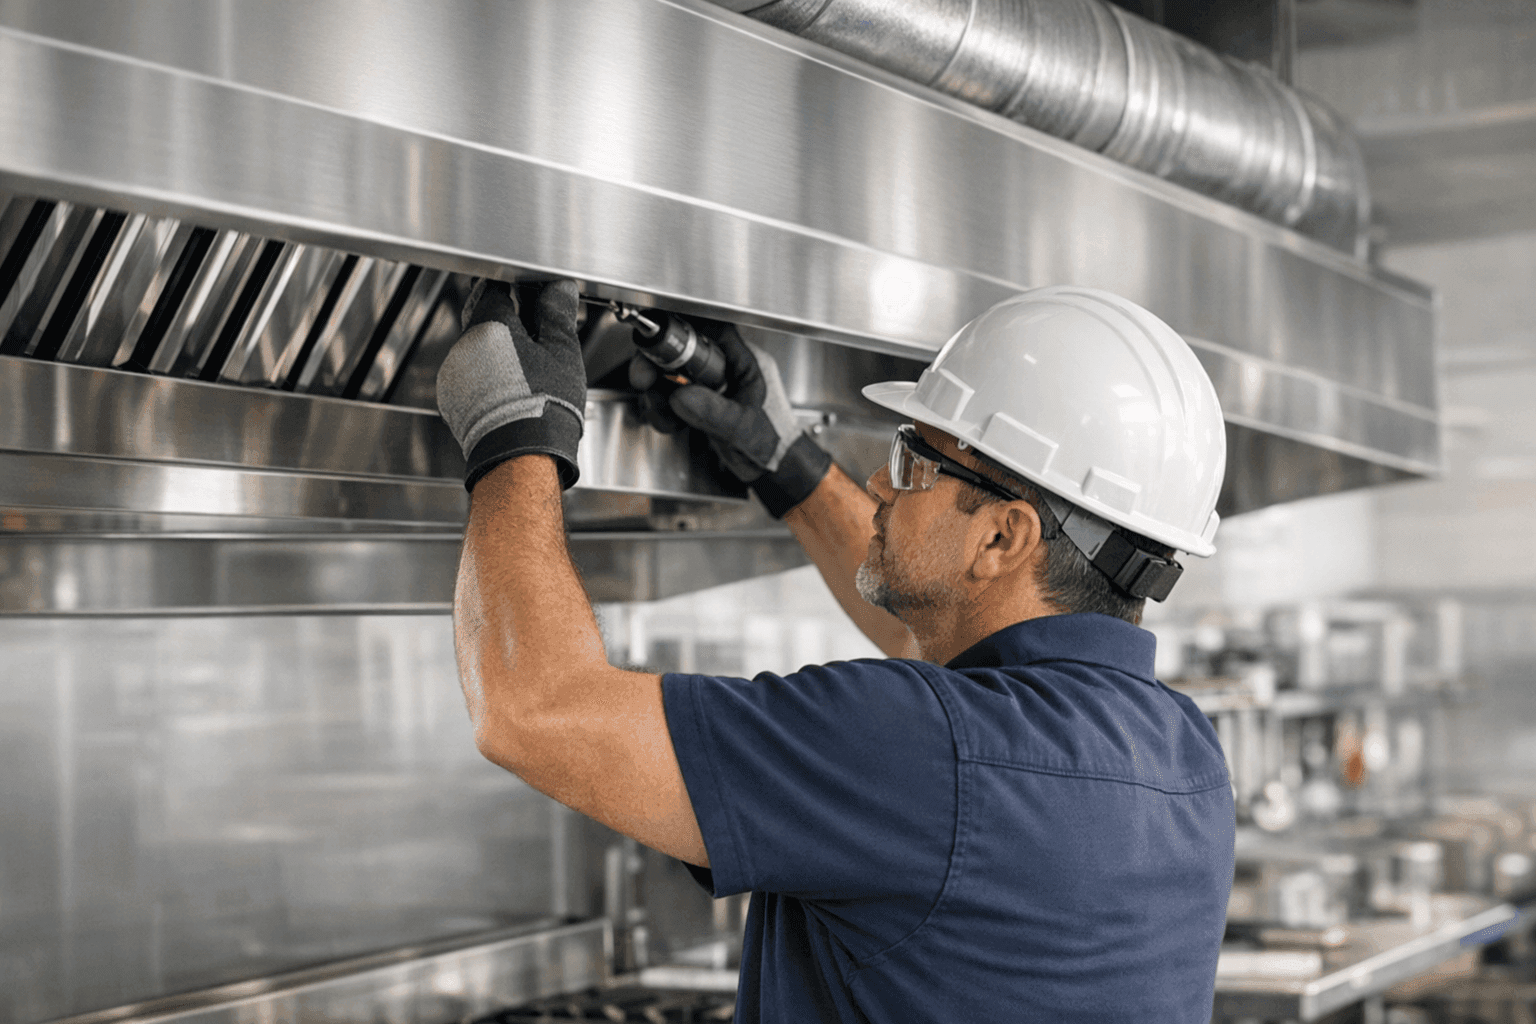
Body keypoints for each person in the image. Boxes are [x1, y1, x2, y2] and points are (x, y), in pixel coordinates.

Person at [435, 279, 1235, 1023]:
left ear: (1002, 535)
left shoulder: (921, 753)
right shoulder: (1185, 756)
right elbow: (944, 653)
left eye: (914, 463)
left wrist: (512, 437)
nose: (882, 487)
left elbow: (533, 708)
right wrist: (787, 463)